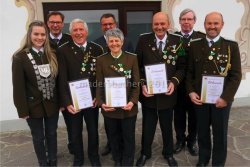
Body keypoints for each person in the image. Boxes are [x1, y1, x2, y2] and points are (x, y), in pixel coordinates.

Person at [185, 12, 242, 166]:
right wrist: (191, 92)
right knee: (202, 132)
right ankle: (203, 160)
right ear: (204, 25)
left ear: (222, 25)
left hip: (221, 100)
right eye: (209, 23)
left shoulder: (231, 46)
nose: (212, 27)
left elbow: (236, 76)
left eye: (216, 23)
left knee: (220, 134)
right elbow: (189, 73)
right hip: (200, 100)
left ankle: (218, 163)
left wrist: (226, 98)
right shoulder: (195, 45)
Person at [135, 12, 186, 167]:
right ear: (152, 25)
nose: (159, 27)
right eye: (156, 24)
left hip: (168, 93)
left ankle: (168, 153)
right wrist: (143, 84)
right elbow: (137, 66)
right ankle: (145, 153)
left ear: (168, 24)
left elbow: (182, 67)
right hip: (148, 94)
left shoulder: (178, 42)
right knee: (147, 126)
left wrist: (174, 83)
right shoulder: (143, 40)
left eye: (162, 23)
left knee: (166, 126)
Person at [57, 18, 103, 167]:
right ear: (70, 33)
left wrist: (98, 95)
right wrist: (66, 102)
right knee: (75, 132)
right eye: (75, 30)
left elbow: (100, 76)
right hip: (74, 100)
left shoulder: (97, 49)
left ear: (86, 32)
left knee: (93, 131)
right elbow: (62, 78)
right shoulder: (63, 50)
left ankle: (94, 157)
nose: (78, 33)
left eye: (81, 29)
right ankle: (78, 159)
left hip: (91, 100)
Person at [12, 20, 59, 166]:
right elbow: (18, 87)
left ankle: (53, 160)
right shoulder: (20, 57)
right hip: (33, 106)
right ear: (30, 35)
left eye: (43, 34)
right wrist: (22, 110)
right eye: (36, 34)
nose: (40, 37)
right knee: (38, 137)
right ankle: (43, 163)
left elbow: (58, 81)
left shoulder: (52, 53)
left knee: (52, 134)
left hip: (52, 103)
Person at [96, 28, 140, 166]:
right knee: (113, 137)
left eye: (116, 40)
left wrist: (133, 102)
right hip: (110, 108)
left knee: (128, 137)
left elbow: (136, 83)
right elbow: (99, 84)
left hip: (128, 107)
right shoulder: (102, 60)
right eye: (111, 41)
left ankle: (128, 161)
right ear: (107, 43)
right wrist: (101, 103)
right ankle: (117, 159)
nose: (114, 43)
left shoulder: (131, 58)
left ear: (122, 42)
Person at [173, 8, 205, 156]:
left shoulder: (201, 38)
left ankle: (192, 141)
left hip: (195, 87)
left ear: (194, 21)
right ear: (179, 21)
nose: (186, 22)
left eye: (189, 19)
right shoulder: (172, 38)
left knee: (194, 117)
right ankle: (180, 140)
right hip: (178, 86)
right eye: (183, 19)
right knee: (178, 115)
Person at [46, 11, 74, 155]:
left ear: (63, 24)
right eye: (52, 22)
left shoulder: (70, 39)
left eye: (58, 22)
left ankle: (73, 145)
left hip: (67, 88)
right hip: (48, 89)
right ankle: (50, 151)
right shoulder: (42, 40)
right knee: (50, 125)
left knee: (71, 123)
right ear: (48, 23)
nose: (55, 25)